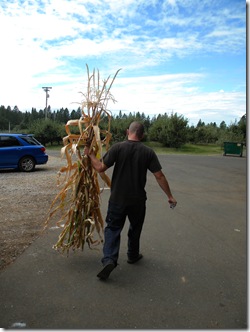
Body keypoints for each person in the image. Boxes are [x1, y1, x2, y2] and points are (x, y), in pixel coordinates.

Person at [85, 121, 177, 280]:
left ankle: (109, 260)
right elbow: (159, 175)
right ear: (142, 135)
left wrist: (91, 155)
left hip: (117, 199)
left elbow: (100, 168)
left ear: (128, 131)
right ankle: (133, 255)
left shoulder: (118, 148)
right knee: (135, 227)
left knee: (113, 229)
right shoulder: (148, 152)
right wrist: (169, 196)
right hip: (138, 201)